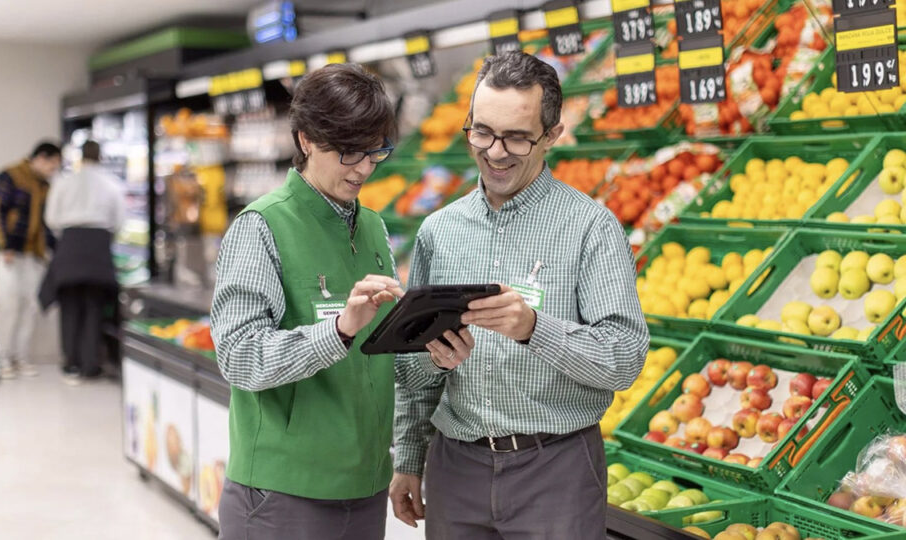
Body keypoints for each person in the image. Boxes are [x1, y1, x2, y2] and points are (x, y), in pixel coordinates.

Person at [390, 51, 650, 539]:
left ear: (552, 135)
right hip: (455, 469)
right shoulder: (439, 232)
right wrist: (409, 455)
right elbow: (409, 369)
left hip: (555, 469)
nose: (495, 151)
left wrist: (534, 328)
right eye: (483, 132)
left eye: (517, 137)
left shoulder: (591, 228)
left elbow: (624, 359)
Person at [211, 63, 404, 540]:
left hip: (365, 486)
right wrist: (339, 330)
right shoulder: (261, 228)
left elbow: (383, 358)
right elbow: (238, 357)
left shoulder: (375, 228)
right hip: (283, 494)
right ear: (305, 140)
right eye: (348, 152)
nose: (363, 167)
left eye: (375, 151)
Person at [39, 140, 125, 385]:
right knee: (94, 307)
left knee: (69, 307)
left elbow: (52, 219)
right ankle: (91, 365)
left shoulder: (64, 182)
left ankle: (71, 364)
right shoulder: (111, 184)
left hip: (69, 245)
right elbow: (119, 222)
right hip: (98, 247)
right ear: (100, 157)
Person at [0, 141, 62, 379]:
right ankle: (1, 358)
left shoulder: (44, 186)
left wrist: (54, 250)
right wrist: (3, 244)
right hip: (6, 253)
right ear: (41, 158)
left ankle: (20, 356)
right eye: (52, 165)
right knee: (7, 305)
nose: (53, 171)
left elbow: (45, 224)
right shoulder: (10, 176)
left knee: (30, 305)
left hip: (31, 255)